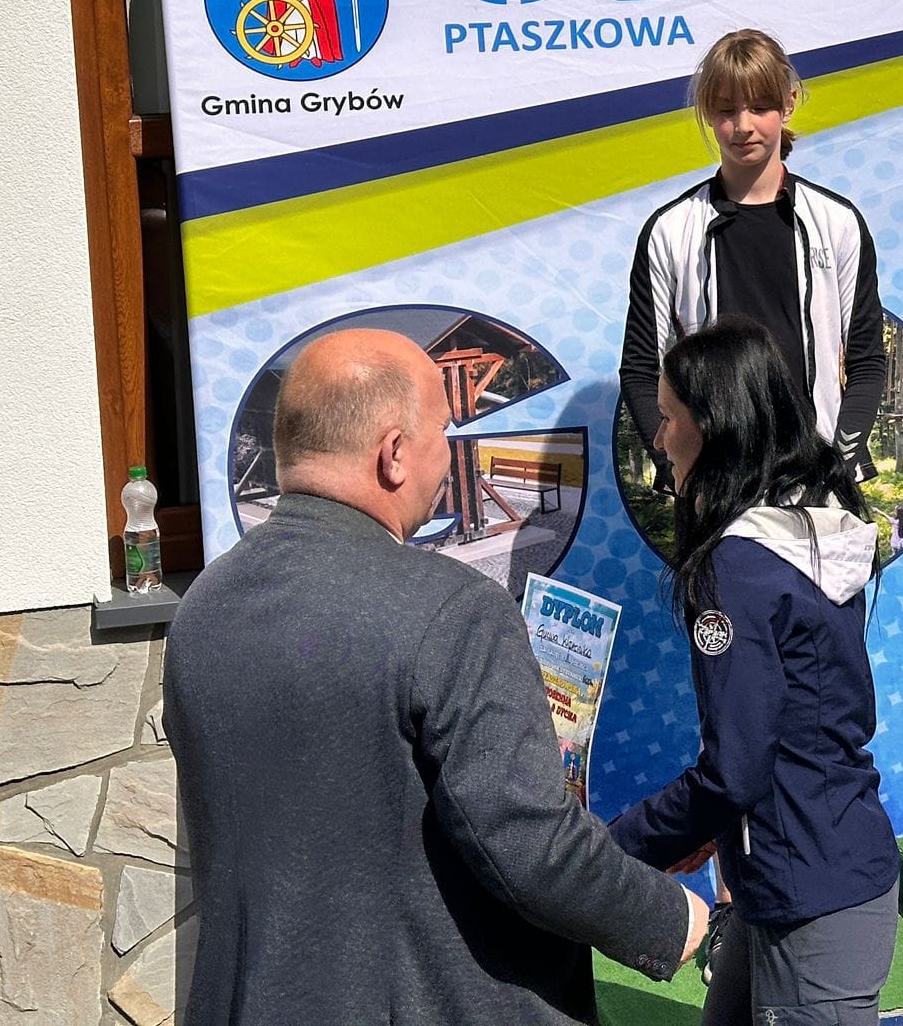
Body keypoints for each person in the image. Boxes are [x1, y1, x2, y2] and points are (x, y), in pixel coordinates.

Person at [165, 327, 707, 1026]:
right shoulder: (453, 609)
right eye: (445, 434)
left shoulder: (202, 608)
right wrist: (670, 917)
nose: (450, 458)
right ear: (393, 454)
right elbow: (527, 844)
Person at [613, 318, 900, 1026]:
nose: (659, 439)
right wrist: (713, 826)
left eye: (669, 418)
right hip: (802, 872)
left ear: (713, 426)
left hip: (810, 899)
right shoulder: (807, 529)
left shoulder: (738, 566)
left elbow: (734, 772)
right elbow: (803, 726)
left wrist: (611, 849)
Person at [620, 29, 886, 493]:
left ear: (789, 103)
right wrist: (679, 467)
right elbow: (640, 368)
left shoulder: (837, 222)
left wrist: (837, 465)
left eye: (760, 107)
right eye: (726, 110)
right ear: (707, 113)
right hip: (714, 487)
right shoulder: (670, 229)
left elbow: (866, 362)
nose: (743, 126)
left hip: (817, 484)